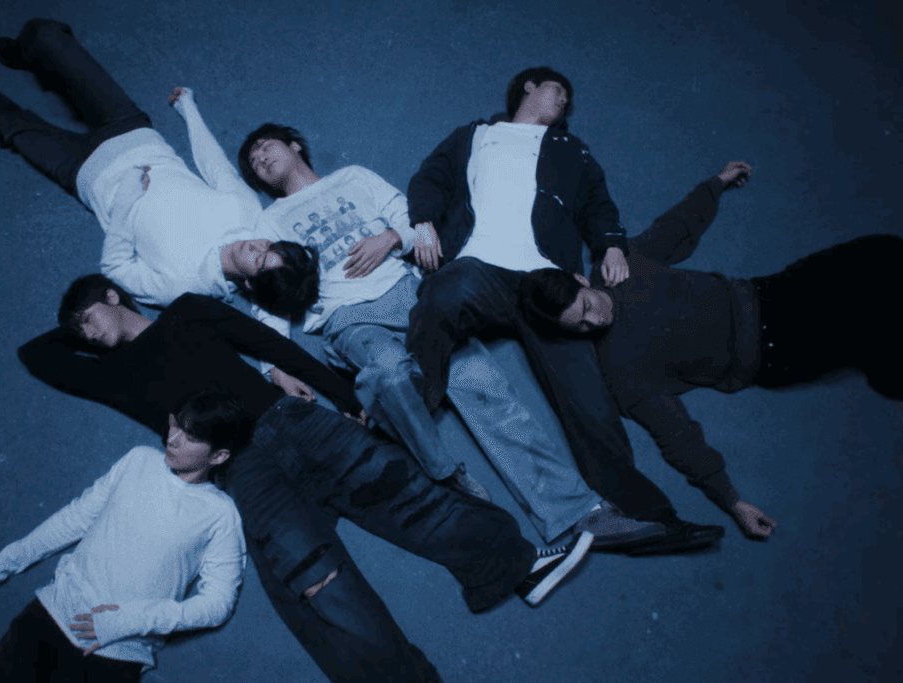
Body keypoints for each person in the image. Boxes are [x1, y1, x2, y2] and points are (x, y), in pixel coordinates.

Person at [17, 273, 594, 683]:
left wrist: (345, 395)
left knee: (409, 495)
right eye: (78, 330)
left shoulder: (188, 311)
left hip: (293, 421)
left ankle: (515, 565)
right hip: (241, 470)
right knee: (318, 582)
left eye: (87, 318)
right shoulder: (112, 375)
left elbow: (267, 343)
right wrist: (79, 327)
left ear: (112, 294)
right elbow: (35, 354)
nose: (85, 333)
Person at [235, 119, 670, 548]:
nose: (261, 158)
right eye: (254, 162)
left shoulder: (353, 178)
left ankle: (579, 513)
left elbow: (416, 223)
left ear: (294, 145)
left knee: (487, 390)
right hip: (349, 317)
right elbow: (266, 299)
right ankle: (444, 475)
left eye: (265, 146)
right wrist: (273, 366)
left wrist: (391, 238)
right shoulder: (270, 220)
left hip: (413, 298)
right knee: (389, 371)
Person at [405, 65, 722, 551]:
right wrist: (423, 222)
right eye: (558, 90)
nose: (565, 100)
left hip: (550, 280)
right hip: (479, 267)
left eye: (568, 98)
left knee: (589, 399)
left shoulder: (571, 149)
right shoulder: (475, 135)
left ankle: (646, 519)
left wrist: (610, 244)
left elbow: (597, 201)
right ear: (529, 86)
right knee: (440, 295)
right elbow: (433, 176)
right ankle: (410, 410)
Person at [518, 161, 903, 538]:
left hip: (767, 292)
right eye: (580, 326)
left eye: (587, 307)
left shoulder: (618, 265)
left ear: (582, 280)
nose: (594, 321)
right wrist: (733, 502)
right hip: (773, 350)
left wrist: (715, 184)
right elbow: (677, 436)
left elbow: (675, 228)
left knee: (881, 251)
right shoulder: (620, 371)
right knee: (877, 327)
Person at [0, 19, 316, 315]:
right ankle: (30, 52)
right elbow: (216, 168)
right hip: (132, 131)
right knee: (48, 36)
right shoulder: (246, 215)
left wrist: (125, 199)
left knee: (3, 123)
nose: (255, 246)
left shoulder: (183, 289)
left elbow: (117, 270)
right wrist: (189, 109)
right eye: (269, 246)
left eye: (260, 262)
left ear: (250, 286)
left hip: (85, 173)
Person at [0, 390, 249, 682]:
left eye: (191, 437)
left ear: (218, 455)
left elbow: (217, 604)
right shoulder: (139, 461)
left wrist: (125, 622)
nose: (172, 439)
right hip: (48, 618)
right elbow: (73, 520)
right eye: (175, 424)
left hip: (113, 655)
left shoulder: (221, 515)